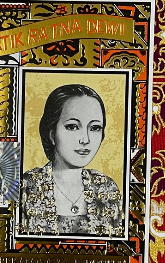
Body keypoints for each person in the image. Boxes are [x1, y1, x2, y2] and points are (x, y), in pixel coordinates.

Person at [18, 83, 124, 236]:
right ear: (52, 133)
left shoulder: (106, 188)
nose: (85, 139)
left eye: (94, 128)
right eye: (73, 126)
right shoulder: (25, 187)